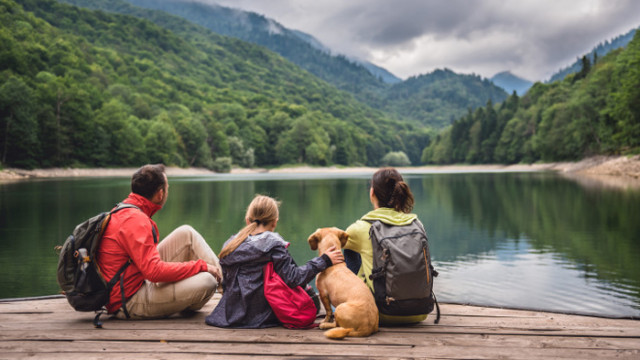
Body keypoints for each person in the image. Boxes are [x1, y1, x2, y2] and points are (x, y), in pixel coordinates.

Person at [96, 164, 222, 319]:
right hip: (128, 301)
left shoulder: (125, 210)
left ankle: (230, 288)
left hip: (135, 279)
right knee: (207, 281)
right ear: (160, 194)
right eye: (168, 187)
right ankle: (233, 292)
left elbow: (148, 268)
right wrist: (201, 266)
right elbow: (154, 272)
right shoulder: (136, 220)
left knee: (186, 233)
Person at [205, 195, 344, 328]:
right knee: (311, 298)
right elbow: (294, 278)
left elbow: (226, 283)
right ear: (274, 222)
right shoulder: (273, 244)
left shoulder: (230, 244)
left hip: (230, 313)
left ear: (248, 220)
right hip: (262, 314)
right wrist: (324, 260)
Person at [344, 167, 429, 325]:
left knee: (349, 249)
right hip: (420, 311)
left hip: (379, 312)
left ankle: (350, 299)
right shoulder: (417, 224)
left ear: (372, 193)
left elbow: (333, 248)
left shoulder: (360, 228)